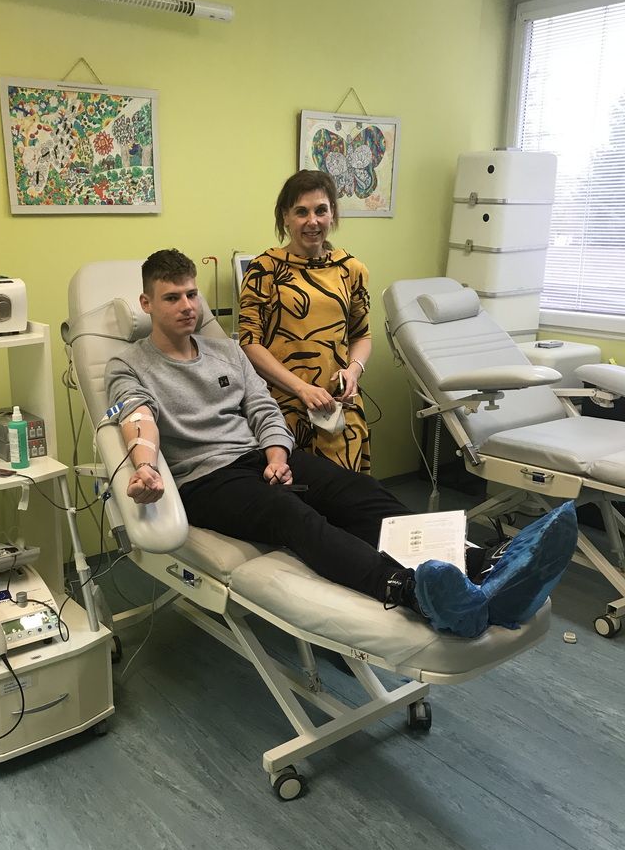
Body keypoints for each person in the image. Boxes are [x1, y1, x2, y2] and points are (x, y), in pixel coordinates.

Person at [104, 249, 578, 640]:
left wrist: (277, 456)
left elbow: (264, 409)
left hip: (259, 457)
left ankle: (481, 565)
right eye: (172, 298)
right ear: (147, 303)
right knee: (289, 513)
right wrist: (145, 467)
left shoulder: (226, 350)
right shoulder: (128, 364)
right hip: (205, 480)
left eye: (192, 294)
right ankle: (410, 589)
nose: (187, 306)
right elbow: (138, 419)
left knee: (358, 491)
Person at [238, 170, 372, 473]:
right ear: (285, 216)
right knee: (293, 493)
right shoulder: (264, 269)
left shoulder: (351, 269)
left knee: (348, 491)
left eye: (321, 210)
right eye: (301, 212)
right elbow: (249, 343)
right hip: (281, 409)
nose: (312, 221)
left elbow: (362, 335)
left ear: (332, 213)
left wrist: (353, 372)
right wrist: (301, 389)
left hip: (337, 408)